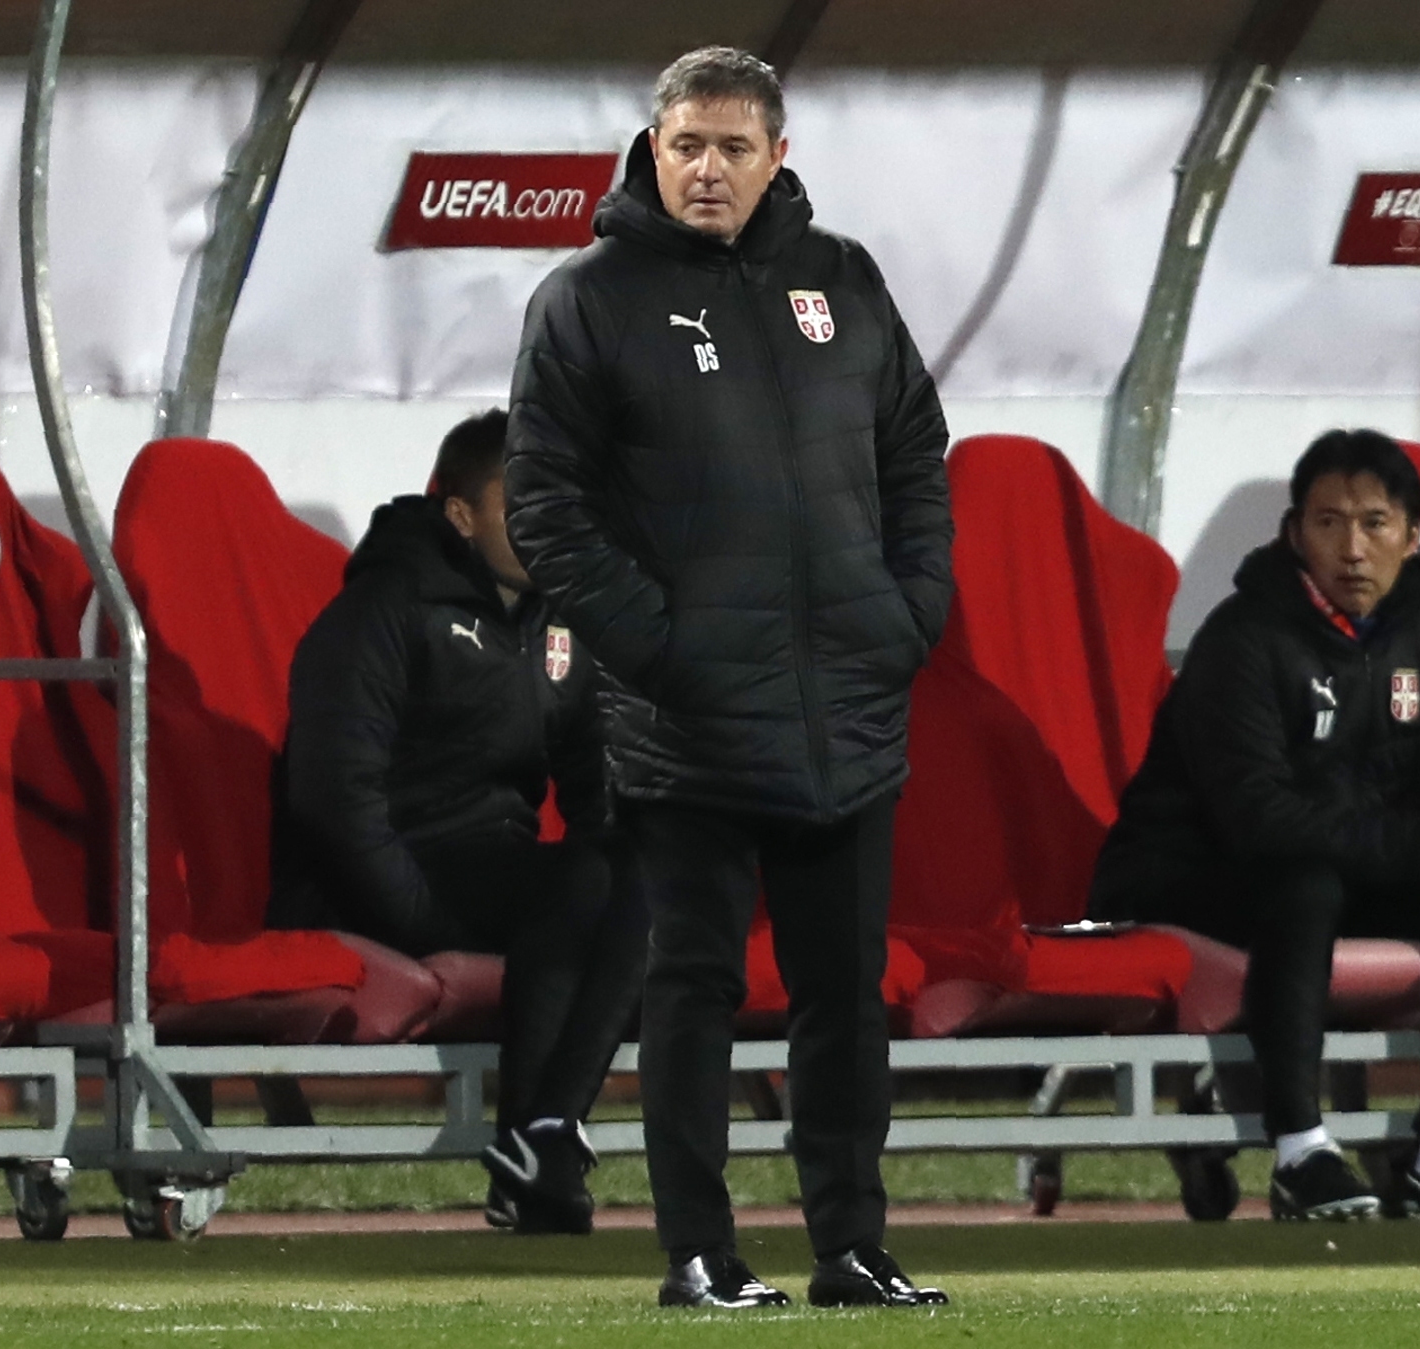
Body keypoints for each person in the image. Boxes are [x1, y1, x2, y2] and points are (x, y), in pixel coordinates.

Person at [506, 47, 954, 1308]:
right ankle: (697, 1254)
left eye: (733, 147)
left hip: (846, 709)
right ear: (651, 148)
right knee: (692, 989)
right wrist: (663, 645)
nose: (707, 168)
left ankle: (849, 1248)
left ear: (777, 155)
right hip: (686, 717)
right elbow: (544, 507)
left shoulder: (843, 280)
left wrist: (906, 608)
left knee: (841, 1001)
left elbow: (915, 449)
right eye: (686, 144)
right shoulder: (586, 299)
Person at [1088, 429, 1420, 1222]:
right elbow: (1256, 817)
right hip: (1193, 873)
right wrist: (1419, 848)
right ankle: (1300, 1149)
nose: (1352, 546)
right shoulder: (1242, 638)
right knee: (1303, 886)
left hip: (1351, 867)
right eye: (1329, 521)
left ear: (1412, 537)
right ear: (1294, 532)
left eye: (1375, 523)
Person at [271, 410, 647, 1235]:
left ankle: (542, 1138)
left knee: (642, 875)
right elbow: (333, 793)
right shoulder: (386, 606)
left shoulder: (561, 619)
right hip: (385, 880)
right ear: (461, 516)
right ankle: (537, 1147)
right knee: (584, 884)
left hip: (497, 876)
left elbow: (597, 784)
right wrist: (411, 913)